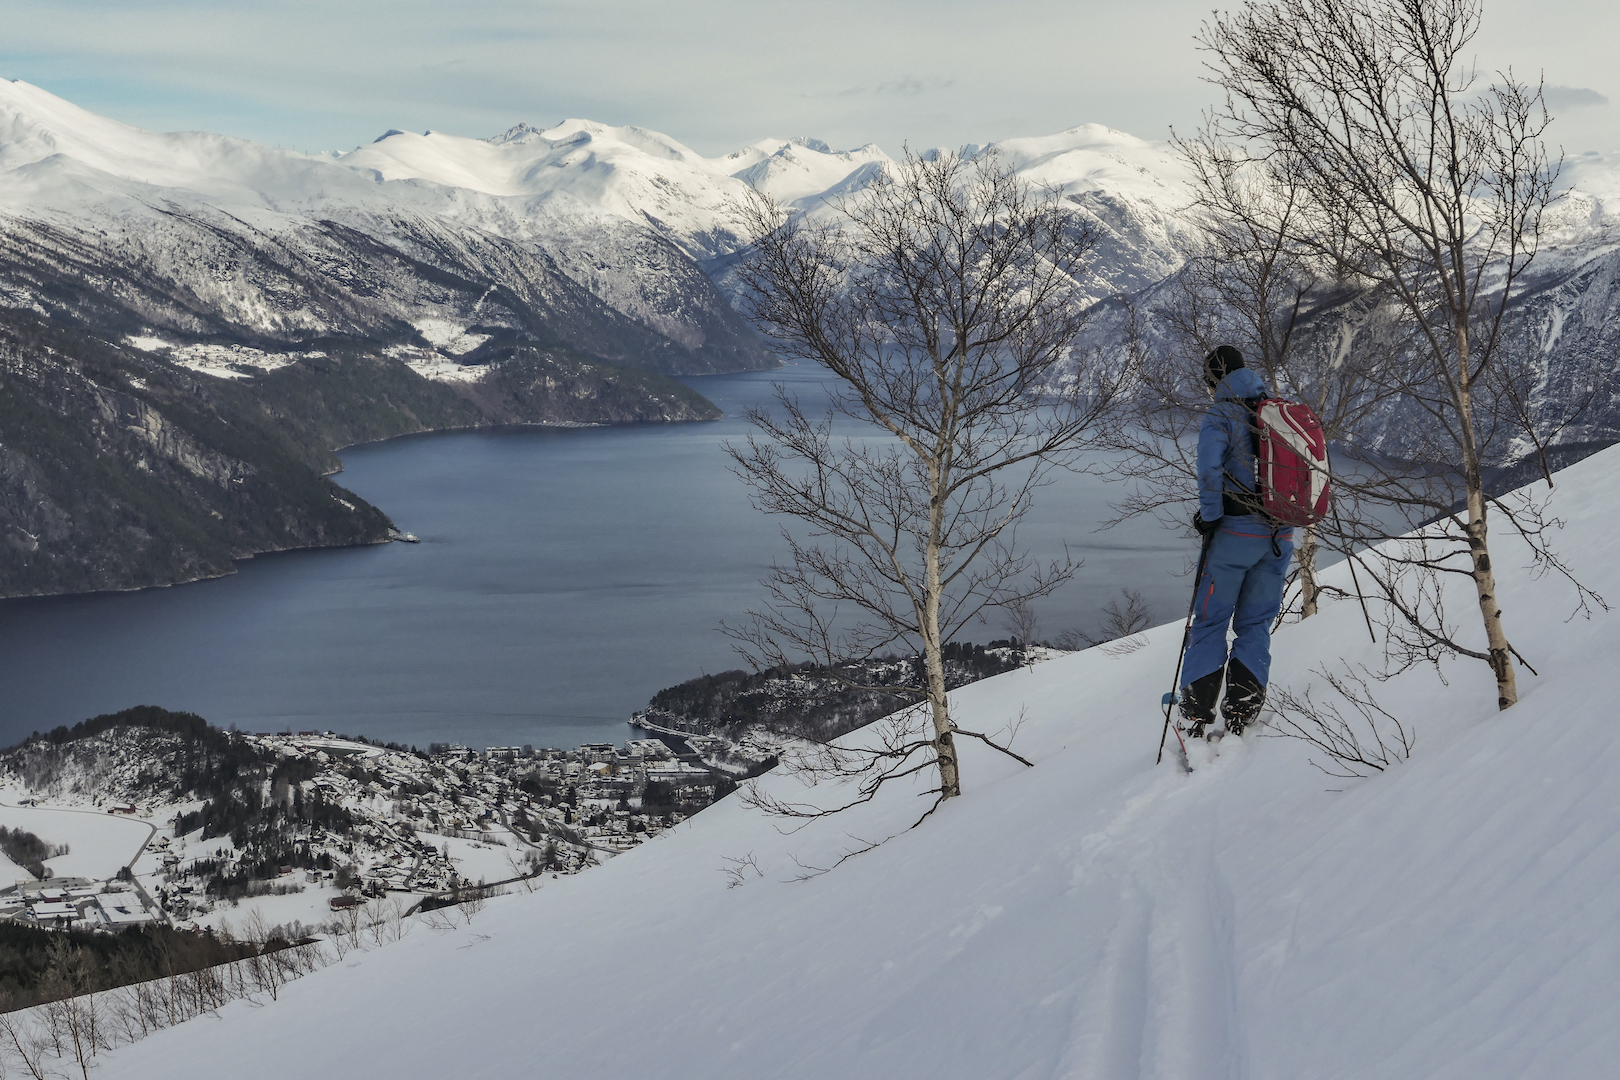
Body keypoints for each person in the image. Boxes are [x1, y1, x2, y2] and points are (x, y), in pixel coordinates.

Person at [1180, 345, 1294, 737]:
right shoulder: (1278, 410)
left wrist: (1210, 518)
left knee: (1211, 621)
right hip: (1281, 533)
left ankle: (1197, 711)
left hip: (1234, 535)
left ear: (1214, 378)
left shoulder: (1221, 415)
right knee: (1256, 621)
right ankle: (1243, 709)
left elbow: (1209, 470)